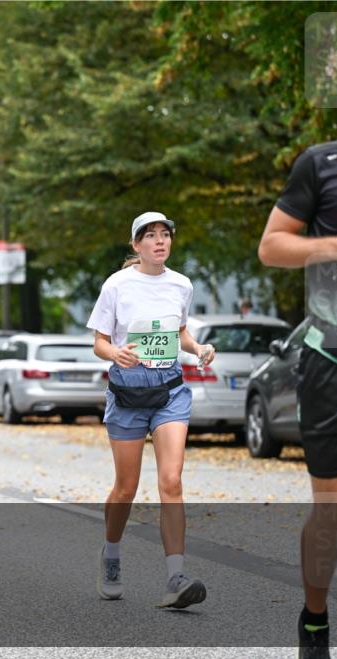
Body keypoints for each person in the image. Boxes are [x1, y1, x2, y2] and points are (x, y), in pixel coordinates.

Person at [257, 56, 337, 659]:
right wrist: (335, 244)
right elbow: (271, 246)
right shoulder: (322, 164)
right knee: (334, 510)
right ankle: (315, 623)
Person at [87, 211, 215, 610]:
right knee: (126, 488)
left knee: (172, 481)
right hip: (127, 393)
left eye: (165, 235)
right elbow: (100, 343)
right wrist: (117, 353)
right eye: (150, 236)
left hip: (170, 391)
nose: (160, 241)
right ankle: (110, 554)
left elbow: (178, 333)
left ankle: (176, 576)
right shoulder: (117, 285)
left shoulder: (181, 284)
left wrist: (197, 349)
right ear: (136, 244)